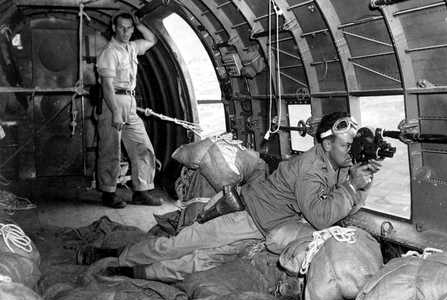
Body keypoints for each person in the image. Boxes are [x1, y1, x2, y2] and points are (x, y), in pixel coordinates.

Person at [79, 113, 381, 280]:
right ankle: (112, 256)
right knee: (180, 244)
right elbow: (321, 215)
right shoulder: (310, 167)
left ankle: (133, 272)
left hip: (268, 227)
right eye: (345, 146)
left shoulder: (340, 165)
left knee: (200, 261)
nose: (349, 153)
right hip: (245, 216)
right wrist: (353, 187)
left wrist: (360, 184)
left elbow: (343, 203)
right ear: (327, 145)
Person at [95, 12, 161, 208]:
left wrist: (139, 24)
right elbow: (107, 86)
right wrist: (115, 112)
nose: (126, 31)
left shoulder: (131, 48)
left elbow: (152, 40)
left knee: (143, 146)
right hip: (112, 102)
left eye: (129, 27)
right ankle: (108, 193)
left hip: (130, 102)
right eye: (121, 27)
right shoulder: (109, 52)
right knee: (110, 150)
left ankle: (141, 191)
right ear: (114, 28)